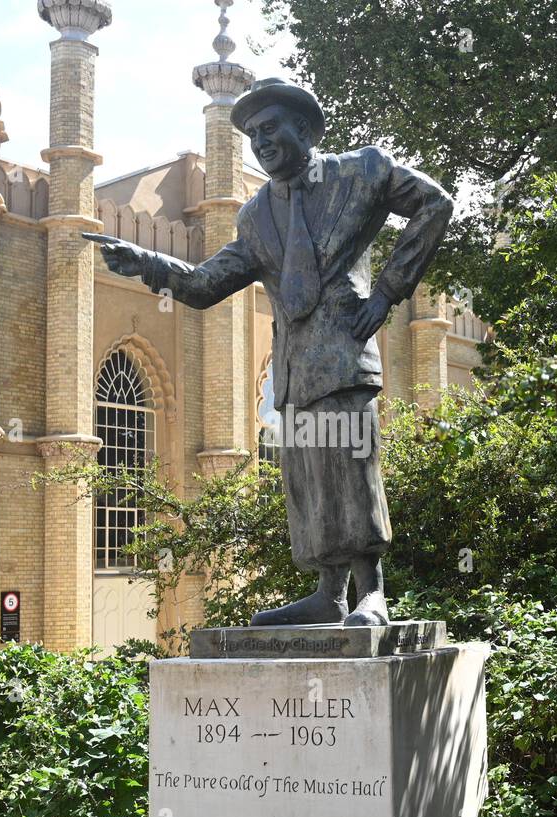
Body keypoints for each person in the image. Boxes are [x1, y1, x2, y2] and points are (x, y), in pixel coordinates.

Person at [86, 78, 453, 627]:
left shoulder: (359, 171)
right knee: (307, 480)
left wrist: (386, 294)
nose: (260, 142)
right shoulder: (255, 215)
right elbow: (209, 283)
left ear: (304, 128)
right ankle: (329, 594)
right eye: (252, 134)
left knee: (352, 469)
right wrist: (147, 264)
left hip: (345, 354)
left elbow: (434, 203)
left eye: (269, 128)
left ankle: (372, 592)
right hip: (295, 369)